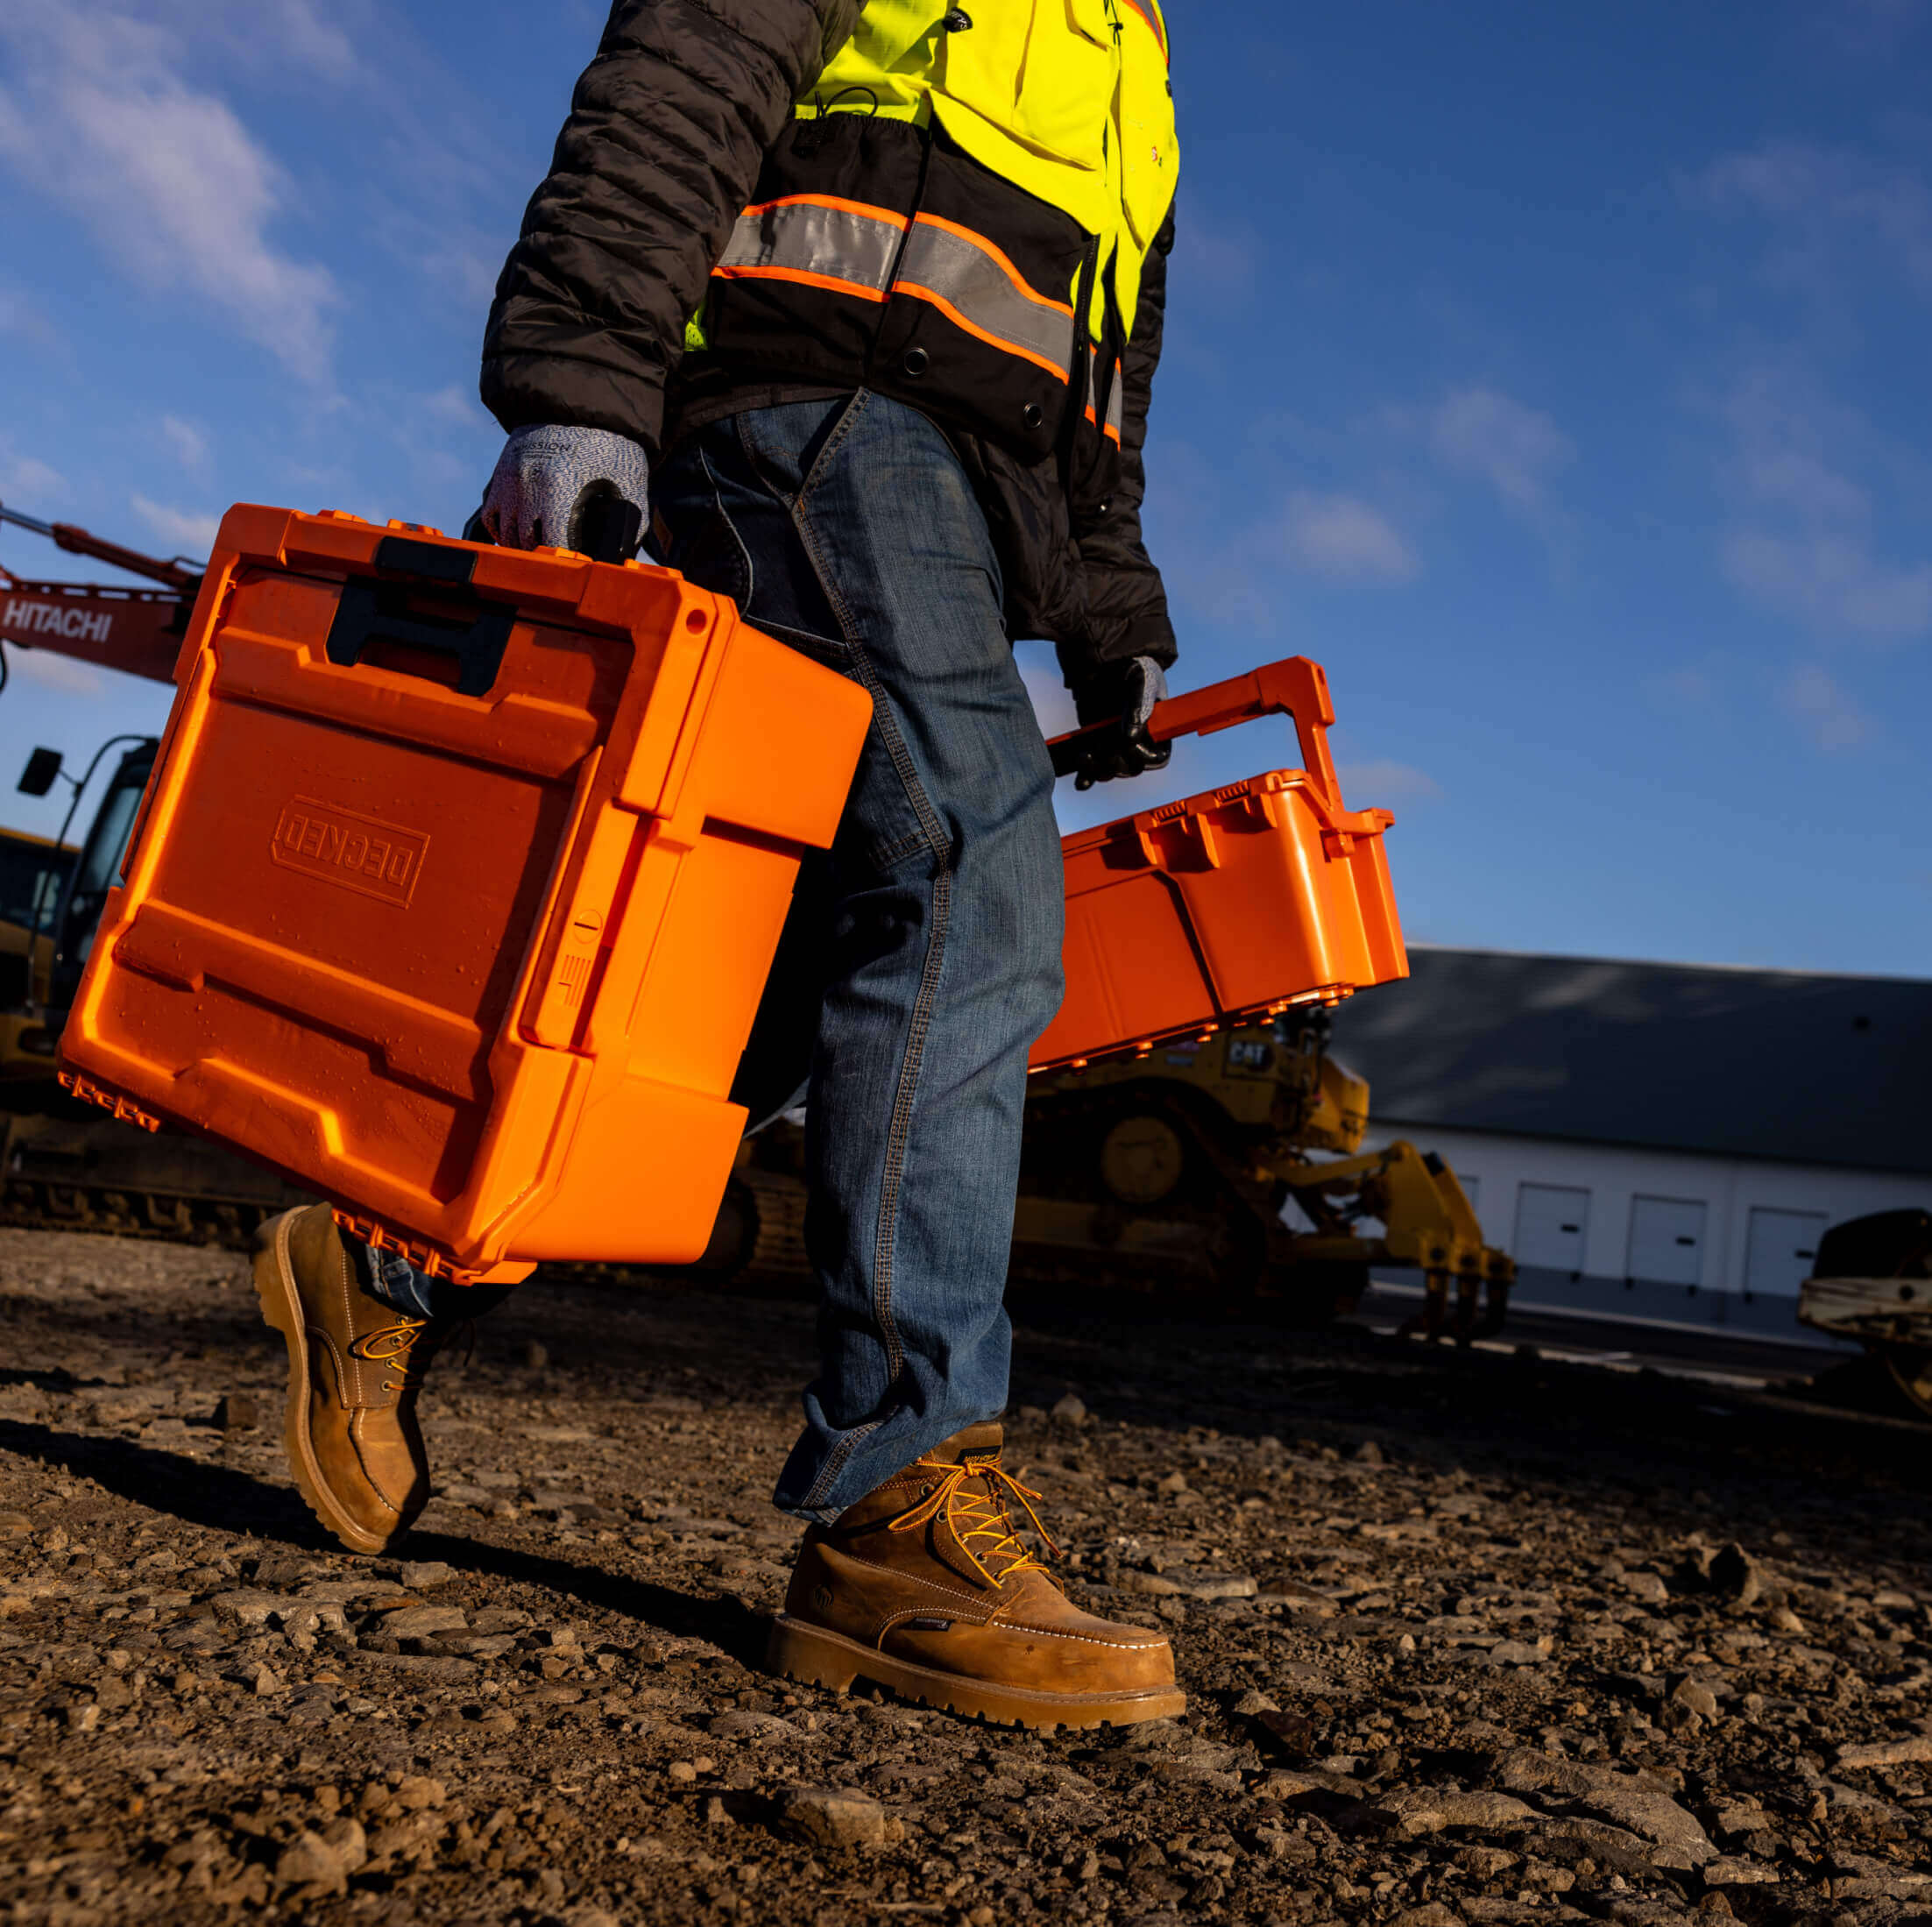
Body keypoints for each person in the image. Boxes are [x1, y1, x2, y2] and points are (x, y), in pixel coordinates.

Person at [251, 0, 1184, 1730]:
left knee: (776, 954)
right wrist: (577, 390)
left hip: (963, 501)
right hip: (809, 410)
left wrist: (1109, 616)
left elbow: (1101, 387)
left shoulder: (1130, 64)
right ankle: (894, 1496)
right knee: (967, 857)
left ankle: (384, 1247)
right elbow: (676, 78)